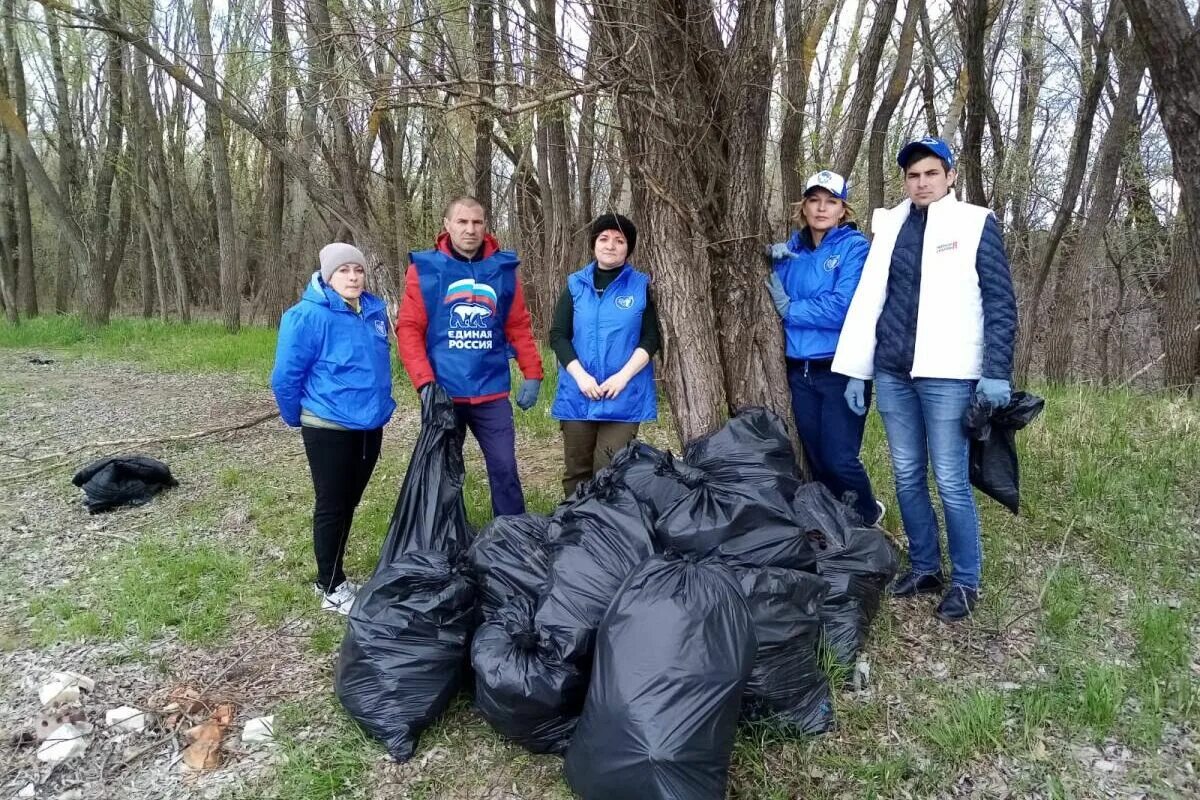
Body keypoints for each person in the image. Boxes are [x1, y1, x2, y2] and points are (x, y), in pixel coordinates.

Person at [833, 136, 1017, 622]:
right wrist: (857, 368)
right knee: (907, 474)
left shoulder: (975, 223)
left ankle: (966, 582)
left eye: (931, 173)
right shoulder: (890, 224)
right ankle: (924, 567)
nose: (922, 182)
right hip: (894, 372)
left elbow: (1000, 303)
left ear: (950, 175)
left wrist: (996, 372)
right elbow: (871, 298)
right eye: (913, 175)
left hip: (949, 375)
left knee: (951, 480)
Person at [396, 196, 543, 517]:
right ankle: (445, 541)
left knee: (505, 469)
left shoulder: (503, 270)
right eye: (462, 222)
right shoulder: (425, 269)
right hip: (444, 393)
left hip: (491, 393)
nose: (470, 229)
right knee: (444, 475)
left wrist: (532, 372)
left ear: (485, 226)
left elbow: (518, 324)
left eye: (477, 222)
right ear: (447, 225)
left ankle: (513, 538)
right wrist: (425, 384)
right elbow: (408, 330)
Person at [270, 243, 396, 615]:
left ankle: (337, 575)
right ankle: (328, 585)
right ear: (328, 275)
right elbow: (285, 377)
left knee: (350, 501)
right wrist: (298, 416)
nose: (353, 277)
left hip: (369, 425)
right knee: (332, 503)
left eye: (357, 270)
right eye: (344, 271)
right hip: (329, 426)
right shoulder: (307, 316)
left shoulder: (373, 310)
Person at [764, 170, 883, 526]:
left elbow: (843, 306)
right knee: (814, 455)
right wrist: (770, 262)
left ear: (843, 210)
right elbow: (769, 297)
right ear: (803, 206)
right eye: (814, 200)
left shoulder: (854, 247)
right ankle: (834, 524)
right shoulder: (792, 250)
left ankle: (867, 516)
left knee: (840, 457)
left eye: (831, 201)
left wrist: (792, 309)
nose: (821, 208)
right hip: (799, 369)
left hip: (839, 367)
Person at [549, 213, 660, 497]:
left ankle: (606, 532)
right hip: (579, 394)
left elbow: (651, 338)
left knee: (609, 472)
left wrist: (622, 378)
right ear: (594, 244)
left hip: (622, 396)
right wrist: (581, 377)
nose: (610, 245)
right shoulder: (575, 284)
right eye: (604, 238)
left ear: (628, 248)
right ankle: (574, 531)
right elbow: (558, 335)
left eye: (619, 240)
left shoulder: (639, 286)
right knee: (577, 472)